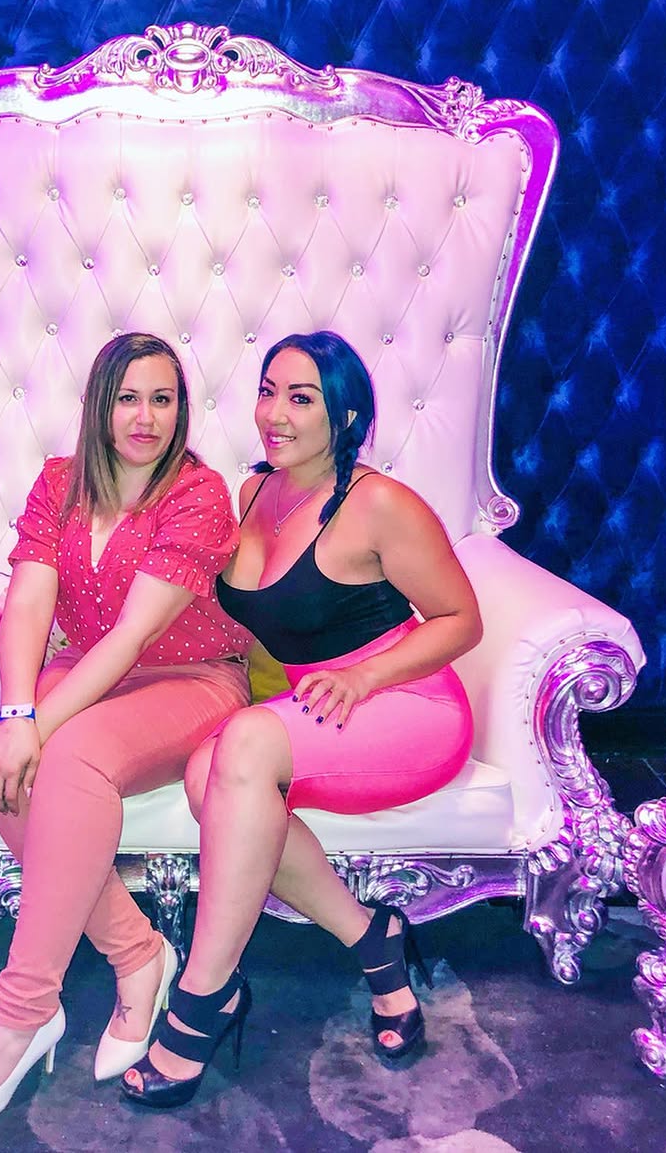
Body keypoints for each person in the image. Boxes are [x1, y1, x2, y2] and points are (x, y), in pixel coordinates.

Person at [122, 330, 482, 1108]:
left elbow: (461, 619)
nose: (274, 414)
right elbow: (226, 613)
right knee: (205, 772)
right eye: (267, 391)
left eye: (301, 398)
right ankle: (376, 941)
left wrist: (363, 675)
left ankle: (202, 997)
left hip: (408, 703)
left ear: (344, 415)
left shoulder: (379, 503)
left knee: (245, 742)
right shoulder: (253, 494)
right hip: (316, 711)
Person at [0, 332, 251, 1121]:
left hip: (191, 676)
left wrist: (35, 728)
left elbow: (133, 635)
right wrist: (15, 715)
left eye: (162, 399)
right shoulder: (58, 482)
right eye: (128, 398)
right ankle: (138, 953)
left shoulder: (199, 493)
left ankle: (23, 1012)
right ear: (100, 405)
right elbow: (31, 599)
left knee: (65, 758)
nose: (146, 417)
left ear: (182, 409)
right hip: (86, 667)